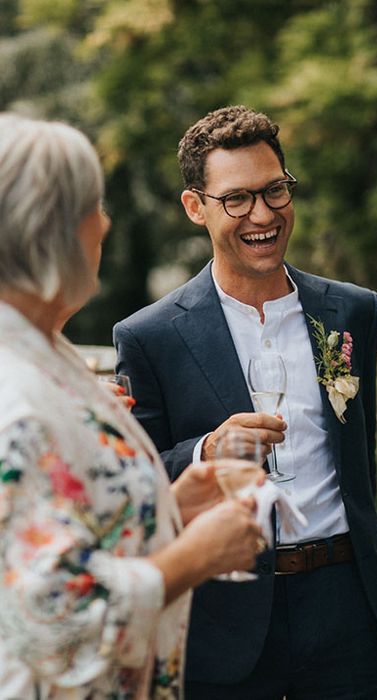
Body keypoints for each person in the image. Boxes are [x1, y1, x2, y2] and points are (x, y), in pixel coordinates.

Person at [113, 105, 377, 698]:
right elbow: (139, 480)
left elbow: (358, 457)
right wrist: (207, 451)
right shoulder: (149, 336)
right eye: (237, 199)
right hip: (227, 612)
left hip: (345, 606)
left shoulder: (352, 311)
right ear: (196, 207)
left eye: (275, 190)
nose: (263, 215)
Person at [0, 113, 267, 698]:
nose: (105, 222)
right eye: (91, 207)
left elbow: (56, 527)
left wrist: (171, 506)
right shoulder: (14, 397)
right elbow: (54, 623)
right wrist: (195, 556)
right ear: (47, 227)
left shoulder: (47, 351)